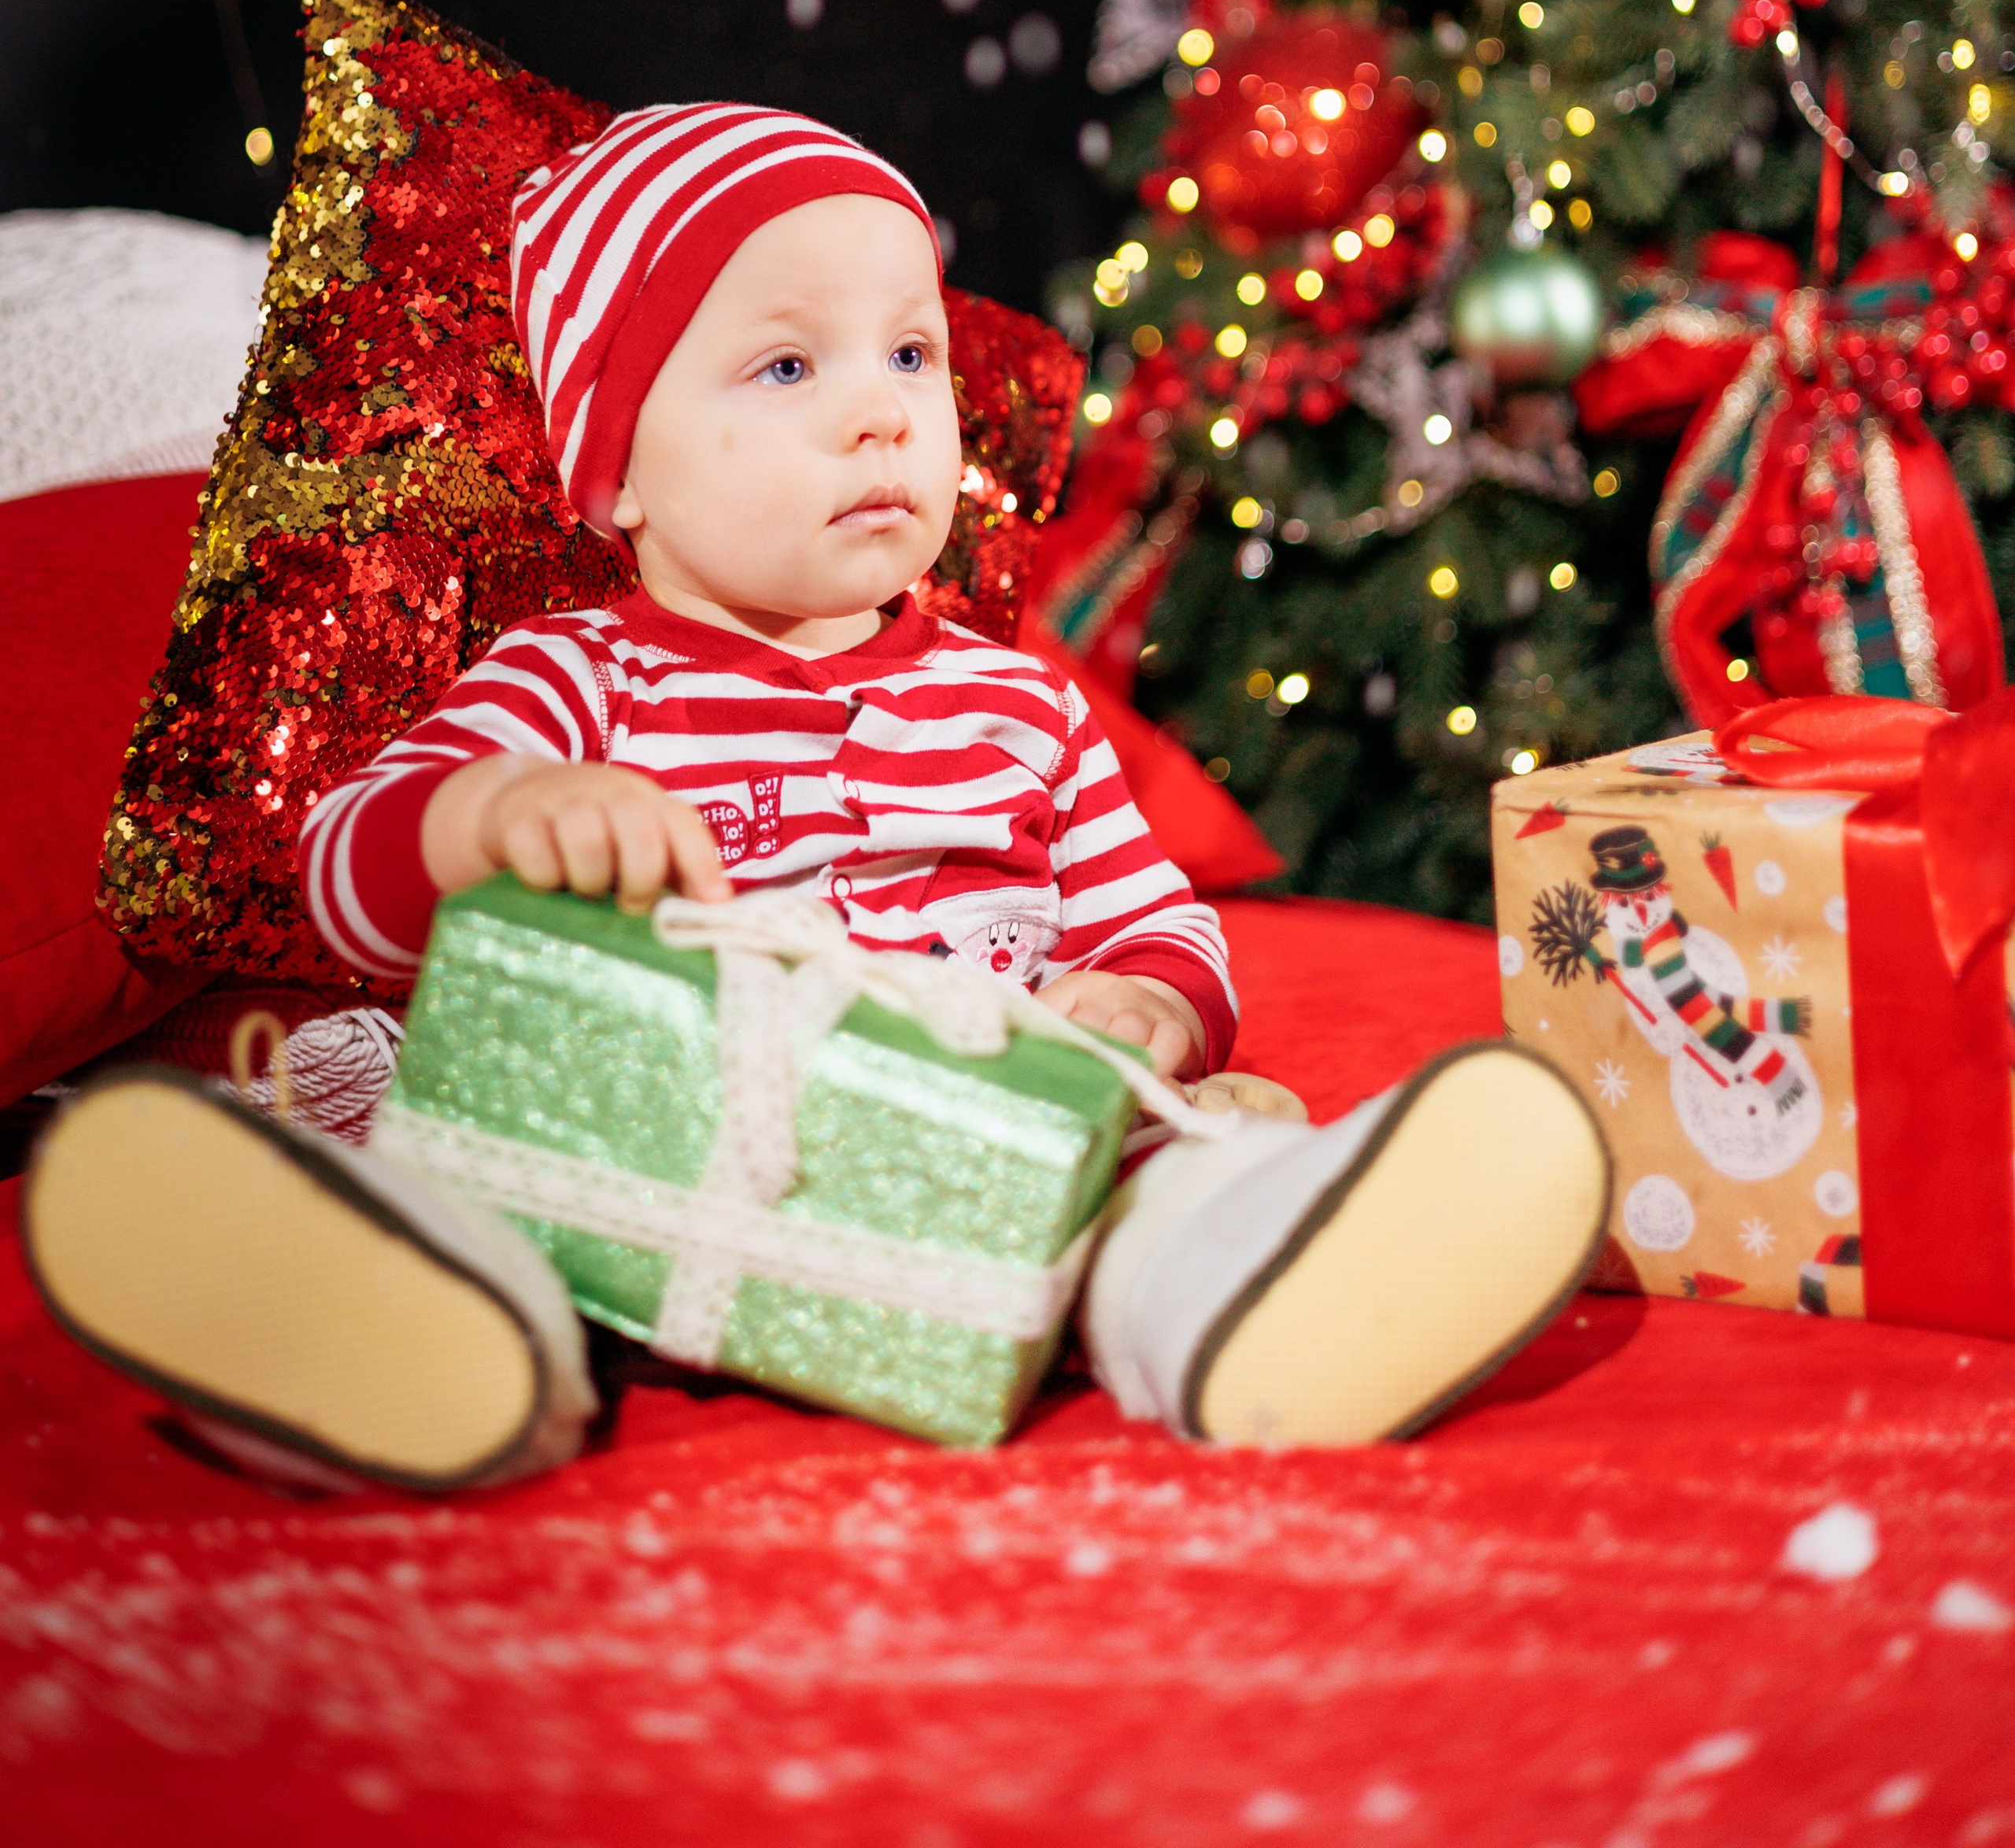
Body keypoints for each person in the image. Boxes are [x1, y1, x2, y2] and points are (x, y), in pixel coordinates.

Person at [24, 104, 1609, 1490]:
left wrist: (1142, 1006)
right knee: (479, 1163)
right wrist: (488, 819)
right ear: (618, 469)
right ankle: (399, 1348)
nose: (880, 410)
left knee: (1148, 1177)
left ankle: (1261, 1309)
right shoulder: (578, 682)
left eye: (908, 352)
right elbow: (342, 878)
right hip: (645, 1151)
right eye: (786, 363)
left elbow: (1156, 924)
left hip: (971, 1156)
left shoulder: (1016, 702)